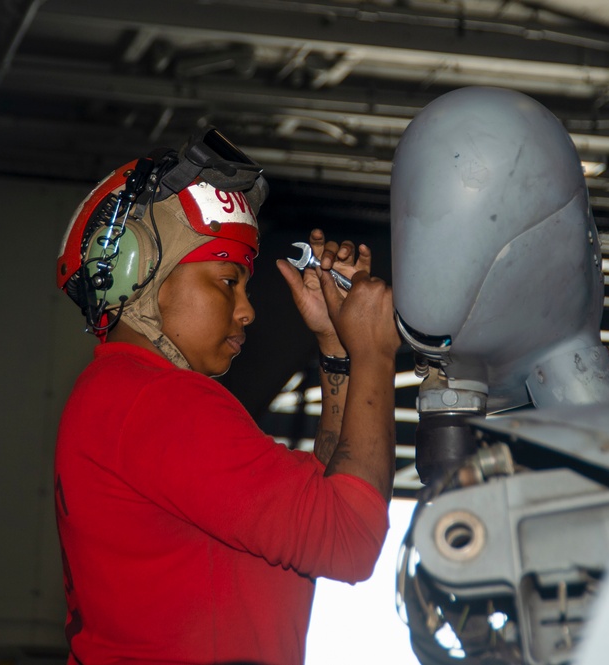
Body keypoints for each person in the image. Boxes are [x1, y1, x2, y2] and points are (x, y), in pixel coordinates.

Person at [53, 128, 400, 664]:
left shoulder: (121, 396)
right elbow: (348, 540)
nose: (247, 310)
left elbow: (323, 501)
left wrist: (338, 352)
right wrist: (375, 355)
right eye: (225, 280)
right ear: (142, 273)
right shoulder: (159, 402)